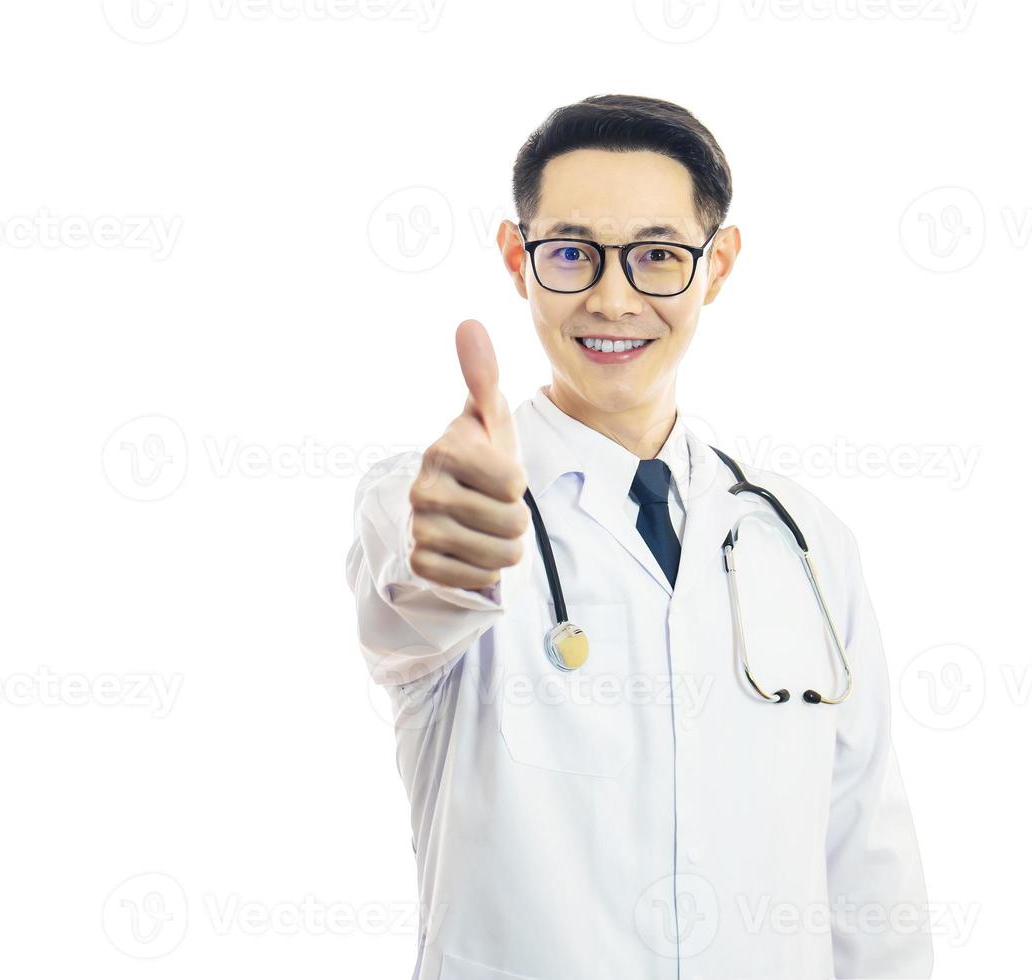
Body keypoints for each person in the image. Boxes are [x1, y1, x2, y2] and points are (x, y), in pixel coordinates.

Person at [345, 95, 932, 980]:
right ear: (518, 260)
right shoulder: (429, 500)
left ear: (716, 265)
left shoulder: (805, 540)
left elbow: (866, 859)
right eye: (572, 254)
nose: (612, 300)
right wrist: (449, 551)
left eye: (657, 256)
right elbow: (413, 603)